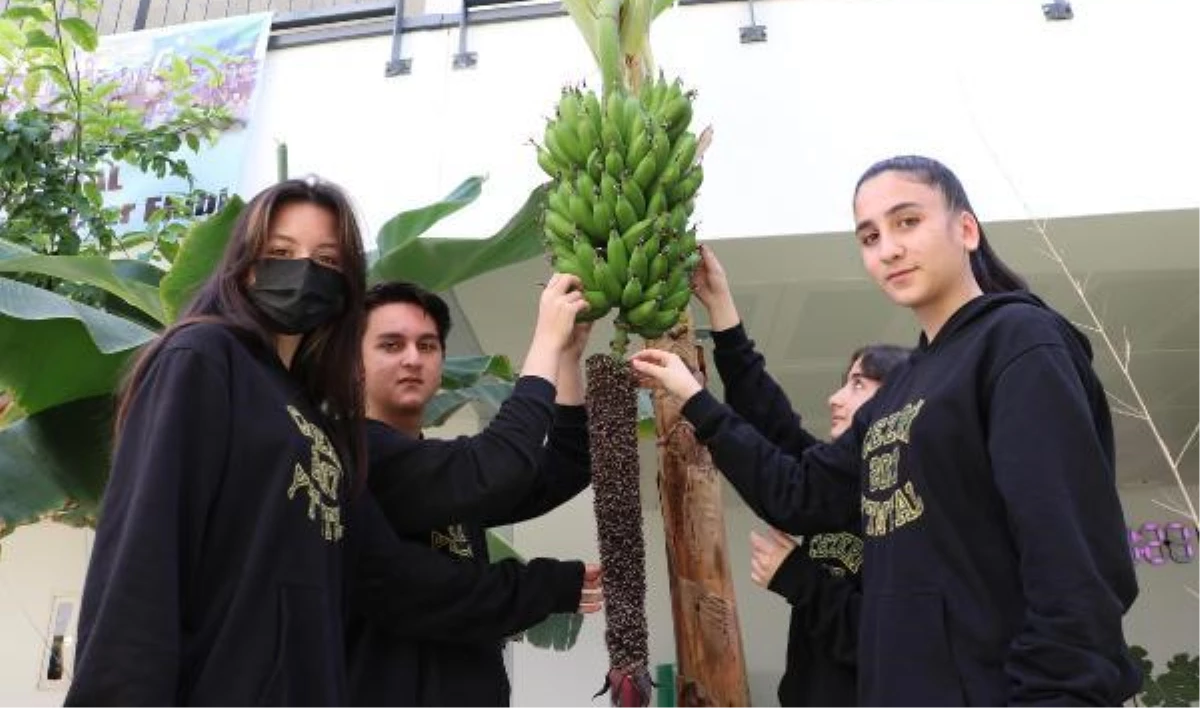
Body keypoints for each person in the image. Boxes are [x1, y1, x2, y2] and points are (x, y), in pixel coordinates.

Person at [632, 155, 1141, 706]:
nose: (889, 248)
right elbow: (798, 493)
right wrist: (697, 399)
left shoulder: (1019, 343)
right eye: (869, 236)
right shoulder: (901, 391)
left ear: (966, 229)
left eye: (907, 222)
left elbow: (1071, 560)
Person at [65, 178, 594, 707]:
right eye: (280, 252)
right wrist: (544, 345)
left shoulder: (315, 428)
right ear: (244, 264)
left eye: (326, 259)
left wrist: (567, 358)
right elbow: (145, 555)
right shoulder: (205, 357)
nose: (302, 271)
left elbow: (393, 567)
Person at [347, 280, 600, 706]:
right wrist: (544, 344)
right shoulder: (353, 461)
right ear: (352, 363)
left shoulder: (443, 476)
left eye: (427, 346)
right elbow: (443, 593)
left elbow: (564, 468)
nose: (412, 358)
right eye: (391, 345)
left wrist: (567, 359)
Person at [695, 244, 909, 706]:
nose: (835, 398)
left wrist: (796, 576)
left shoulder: (909, 508)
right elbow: (772, 424)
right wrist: (722, 311)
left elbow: (882, 644)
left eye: (858, 385)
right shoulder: (829, 486)